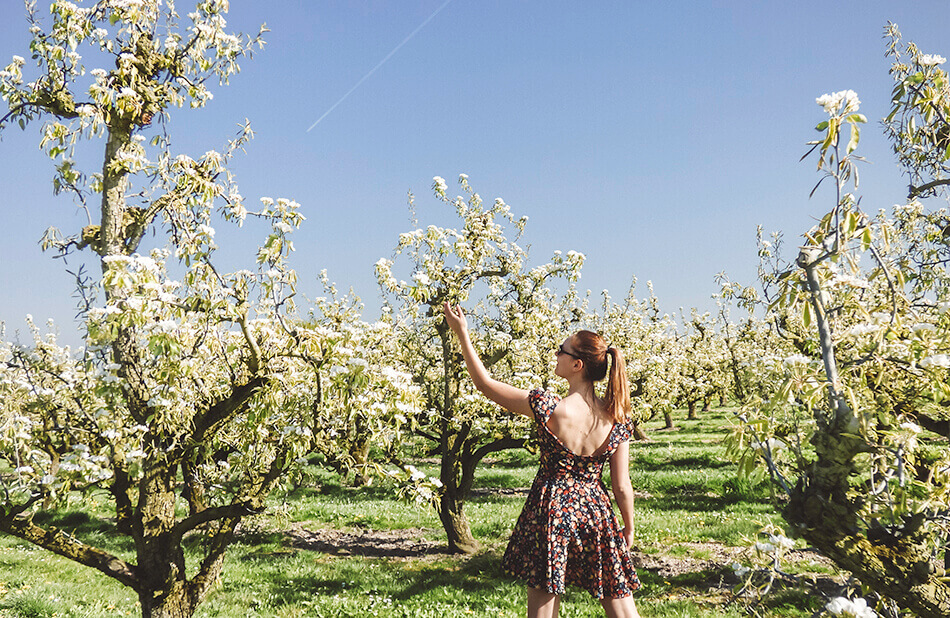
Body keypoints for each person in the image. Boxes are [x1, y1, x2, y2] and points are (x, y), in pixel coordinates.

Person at [443, 302, 642, 618]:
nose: (556, 355)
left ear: (577, 365)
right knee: (620, 605)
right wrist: (628, 528)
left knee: (543, 610)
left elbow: (484, 384)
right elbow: (621, 485)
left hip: (551, 509)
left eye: (561, 351)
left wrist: (462, 333)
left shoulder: (548, 407)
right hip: (596, 511)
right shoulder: (616, 418)